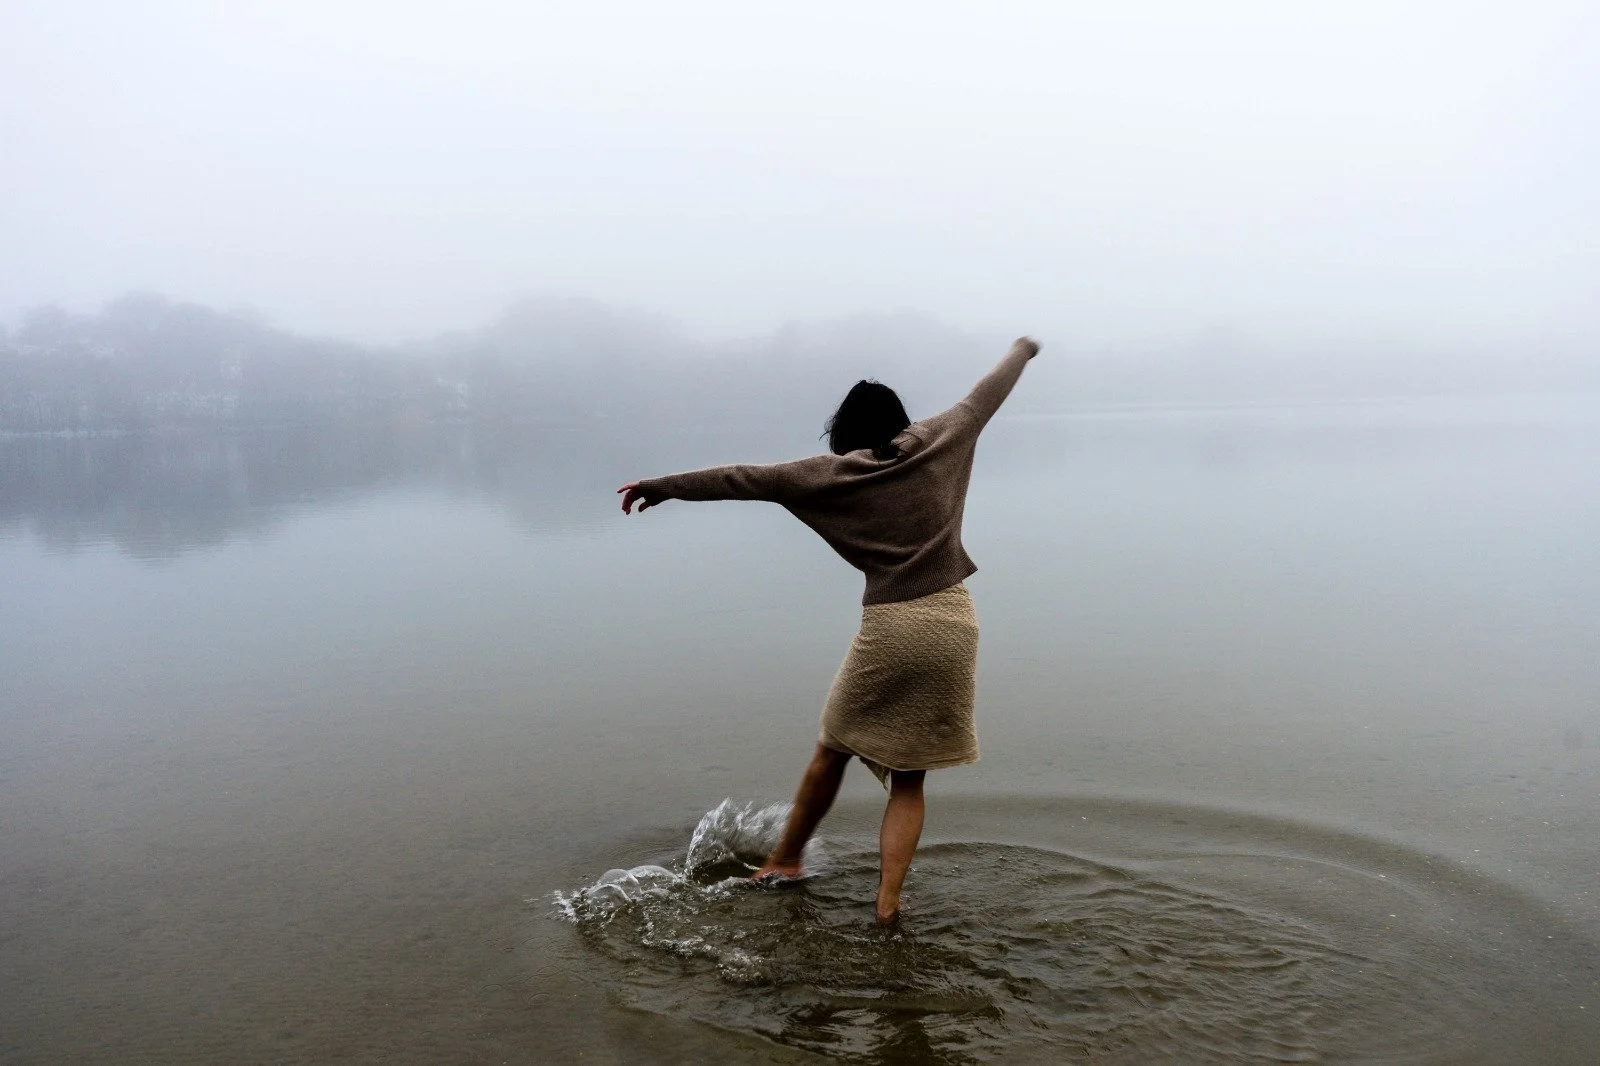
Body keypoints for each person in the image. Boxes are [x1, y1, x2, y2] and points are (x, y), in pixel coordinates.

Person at [618, 336, 1040, 922]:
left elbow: (743, 477)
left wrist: (661, 487)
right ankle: (888, 904)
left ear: (845, 431)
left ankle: (785, 861)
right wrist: (1023, 349)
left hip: (892, 625)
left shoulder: (825, 476)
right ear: (899, 421)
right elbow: (986, 394)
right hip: (953, 620)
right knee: (910, 781)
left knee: (832, 749)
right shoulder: (944, 439)